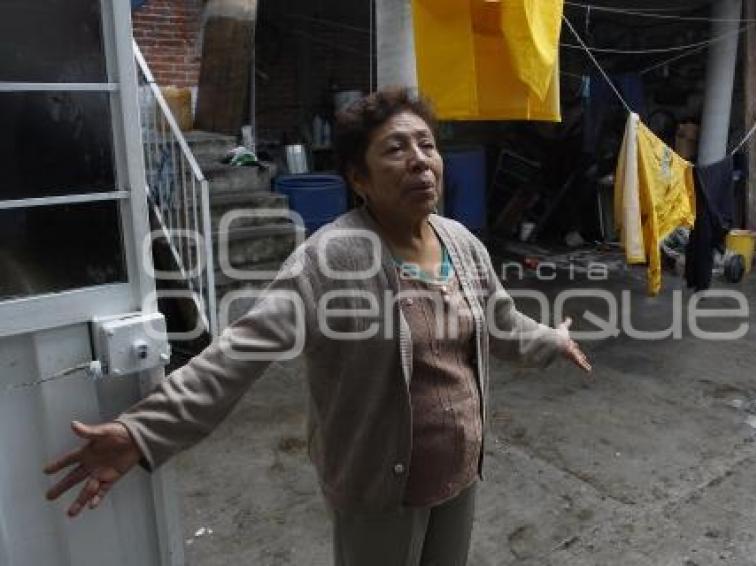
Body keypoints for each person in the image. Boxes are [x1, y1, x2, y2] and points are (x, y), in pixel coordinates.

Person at [45, 88, 591, 565]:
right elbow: (239, 353)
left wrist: (551, 339)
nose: (420, 161)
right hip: (379, 489)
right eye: (396, 149)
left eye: (427, 145)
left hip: (461, 475)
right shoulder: (332, 260)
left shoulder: (463, 244)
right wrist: (144, 431)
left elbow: (500, 322)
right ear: (359, 178)